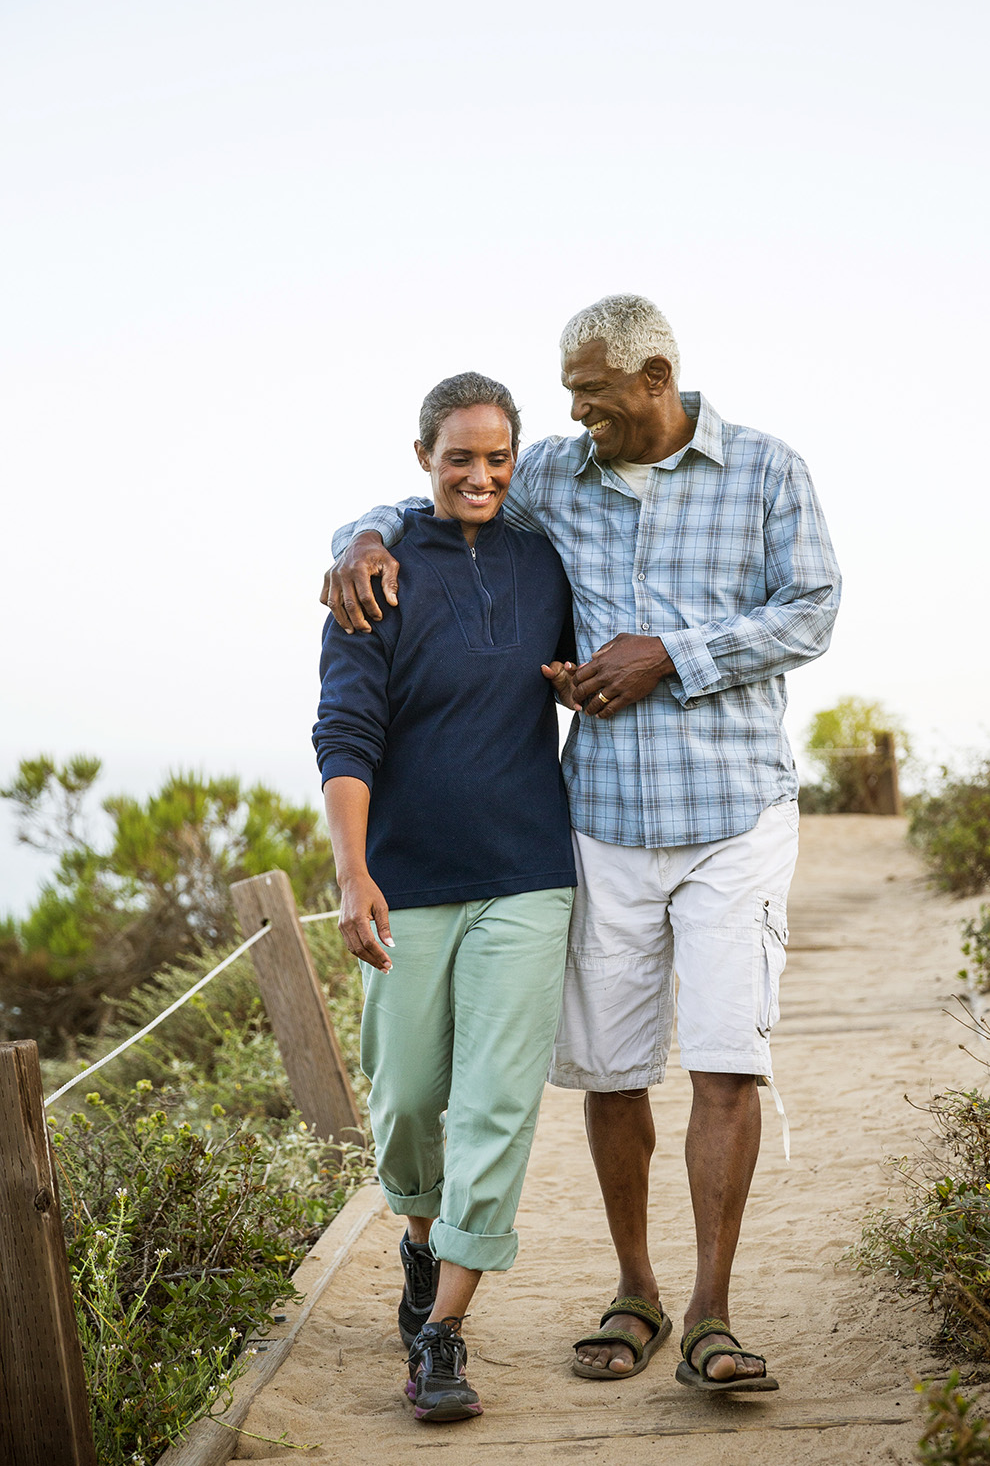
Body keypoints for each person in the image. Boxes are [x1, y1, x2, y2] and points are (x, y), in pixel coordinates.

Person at [322, 294, 841, 1396]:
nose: (576, 414)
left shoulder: (764, 471)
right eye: (568, 398)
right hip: (599, 819)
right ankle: (634, 1289)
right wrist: (353, 538)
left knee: (720, 1060)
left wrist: (672, 654)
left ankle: (709, 1313)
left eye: (592, 396)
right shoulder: (557, 474)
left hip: (733, 814)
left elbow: (812, 609)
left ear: (653, 376)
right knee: (610, 1076)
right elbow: (447, 484)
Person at [313, 372, 578, 1424]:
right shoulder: (371, 574)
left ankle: (443, 1333)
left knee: (495, 1104)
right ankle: (418, 1245)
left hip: (527, 871)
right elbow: (345, 729)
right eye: (459, 457)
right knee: (411, 1099)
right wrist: (352, 869)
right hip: (407, 880)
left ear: (516, 458)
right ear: (423, 456)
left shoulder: (544, 557)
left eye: (497, 456)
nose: (480, 475)